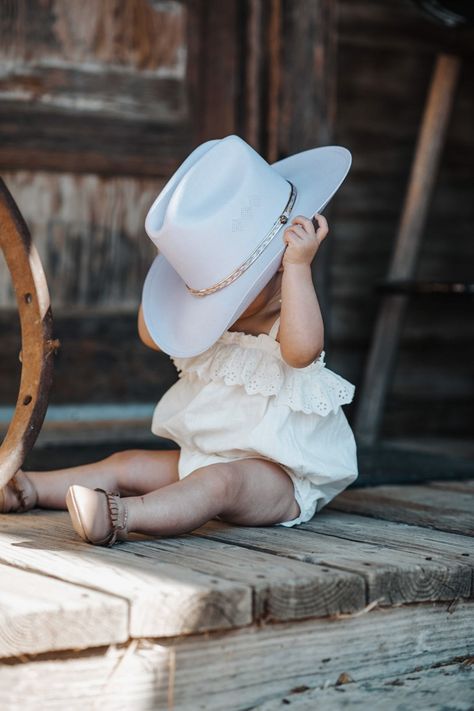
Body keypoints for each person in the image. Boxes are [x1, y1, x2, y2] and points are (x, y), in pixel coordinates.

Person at [0, 135, 358, 546]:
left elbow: (303, 351)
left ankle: (122, 515)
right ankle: (28, 487)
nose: (216, 302)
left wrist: (299, 269)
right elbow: (151, 334)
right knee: (127, 464)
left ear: (278, 271)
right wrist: (172, 266)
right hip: (205, 459)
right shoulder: (214, 324)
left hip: (278, 478)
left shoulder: (288, 315)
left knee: (219, 483)